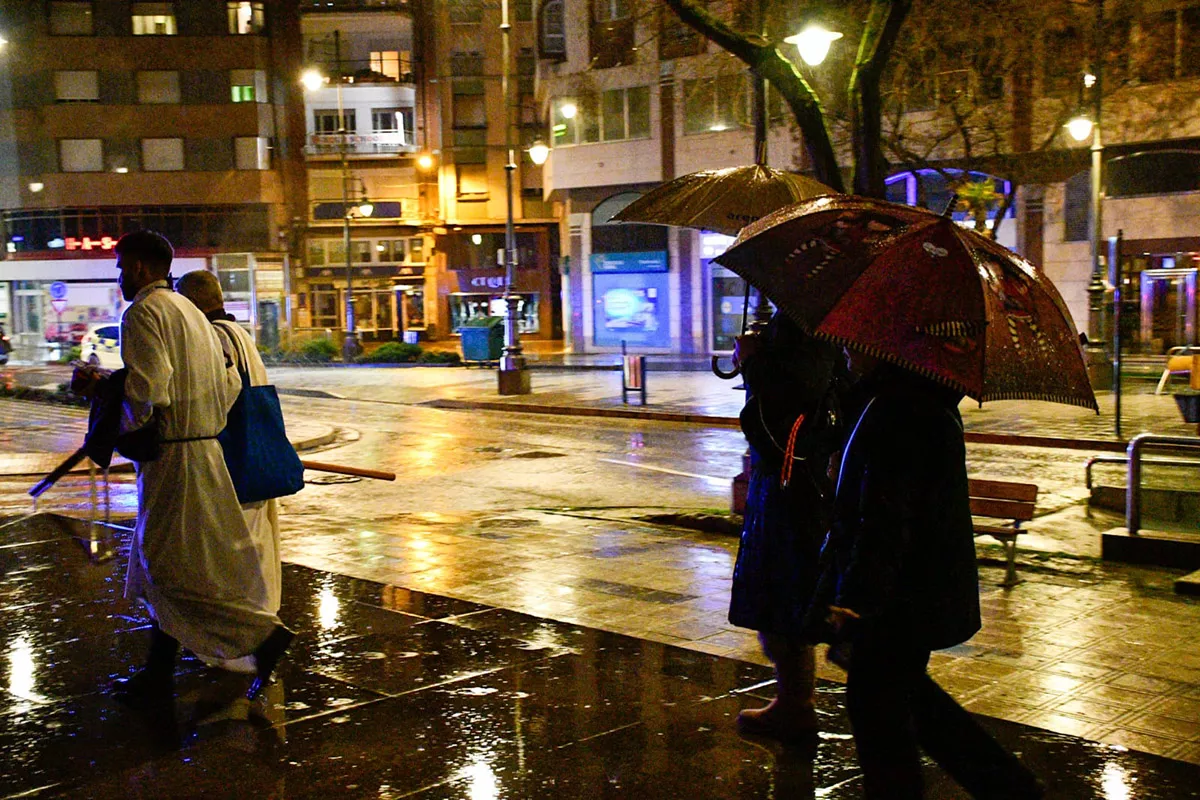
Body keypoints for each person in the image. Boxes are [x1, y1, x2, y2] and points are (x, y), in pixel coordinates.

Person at [72, 231, 292, 707]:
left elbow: (150, 390)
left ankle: (262, 637)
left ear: (142, 267)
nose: (119, 276)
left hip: (174, 456)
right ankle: (156, 673)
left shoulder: (144, 312)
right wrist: (200, 424)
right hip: (202, 451)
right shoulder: (191, 312)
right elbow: (227, 385)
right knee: (169, 566)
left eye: (122, 266)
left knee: (168, 568)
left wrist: (119, 419)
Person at [811, 349, 1042, 799]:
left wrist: (854, 600)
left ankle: (1007, 787)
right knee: (910, 702)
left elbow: (885, 519)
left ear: (884, 345)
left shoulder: (902, 409)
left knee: (878, 708)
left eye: (853, 341)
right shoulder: (896, 398)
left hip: (899, 594)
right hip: (908, 589)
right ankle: (1010, 787)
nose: (842, 348)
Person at [727, 310, 845, 743]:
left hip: (790, 485)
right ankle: (794, 701)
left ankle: (796, 706)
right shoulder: (808, 317)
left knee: (784, 594)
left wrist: (754, 360)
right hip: (786, 481)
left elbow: (800, 386)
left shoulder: (810, 320)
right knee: (781, 598)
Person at [176, 268, 291, 695]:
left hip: (233, 464)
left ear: (192, 304)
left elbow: (217, 400)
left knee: (232, 556)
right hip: (256, 460)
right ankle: (252, 637)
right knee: (256, 549)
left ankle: (247, 646)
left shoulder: (215, 339)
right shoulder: (239, 334)